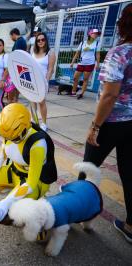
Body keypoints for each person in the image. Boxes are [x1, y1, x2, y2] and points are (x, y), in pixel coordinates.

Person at [77, 3, 132, 244]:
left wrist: (95, 125)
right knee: (129, 172)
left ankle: (76, 208)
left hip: (113, 121)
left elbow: (110, 95)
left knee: (88, 165)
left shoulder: (120, 52)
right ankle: (130, 224)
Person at [0, 103, 57, 223]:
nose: (10, 140)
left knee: (20, 209)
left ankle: (36, 209)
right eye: (7, 137)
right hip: (14, 172)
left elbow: (31, 183)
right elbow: (5, 146)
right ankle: (15, 193)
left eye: (14, 138)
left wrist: (7, 202)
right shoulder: (8, 130)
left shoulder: (38, 144)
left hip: (34, 180)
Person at [31, 32, 56, 131]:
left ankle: (44, 123)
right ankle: (34, 121)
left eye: (42, 39)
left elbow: (50, 69)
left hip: (42, 81)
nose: (40, 42)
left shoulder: (50, 53)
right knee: (32, 102)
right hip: (32, 80)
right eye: (38, 40)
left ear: (46, 40)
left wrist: (46, 82)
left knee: (41, 102)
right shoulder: (33, 52)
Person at [70, 28, 101, 99]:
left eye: (97, 34)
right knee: (75, 78)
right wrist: (72, 62)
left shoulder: (97, 43)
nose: (96, 35)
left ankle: (81, 93)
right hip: (81, 63)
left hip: (90, 64)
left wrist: (98, 64)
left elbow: (97, 54)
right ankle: (73, 92)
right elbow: (77, 53)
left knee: (85, 79)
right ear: (90, 34)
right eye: (94, 33)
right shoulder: (83, 43)